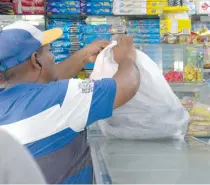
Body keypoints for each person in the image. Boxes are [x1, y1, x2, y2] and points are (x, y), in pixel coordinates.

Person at [0, 21, 140, 184]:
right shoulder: (59, 98)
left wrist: (83, 56)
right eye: (49, 51)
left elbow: (44, 78)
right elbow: (127, 85)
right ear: (35, 60)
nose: (53, 57)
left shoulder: (10, 100)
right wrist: (127, 57)